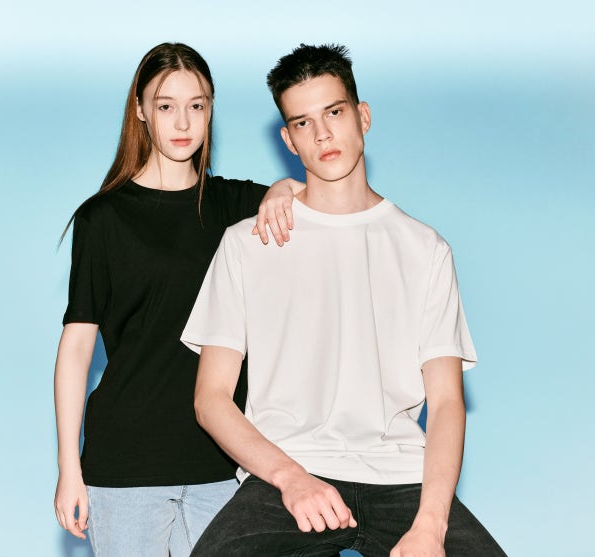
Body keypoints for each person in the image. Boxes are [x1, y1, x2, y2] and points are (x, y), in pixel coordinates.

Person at [181, 44, 506, 556]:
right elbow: (211, 399)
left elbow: (446, 401)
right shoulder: (248, 243)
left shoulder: (425, 249)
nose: (322, 134)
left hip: (403, 477)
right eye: (303, 122)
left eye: (333, 113)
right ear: (289, 139)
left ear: (363, 117)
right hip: (287, 473)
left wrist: (430, 525)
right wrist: (291, 478)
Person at [53, 42, 302, 556]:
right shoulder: (103, 218)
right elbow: (76, 349)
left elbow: (322, 197)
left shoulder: (235, 205)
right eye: (166, 105)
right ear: (141, 110)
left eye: (197, 105)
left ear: (211, 110)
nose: (183, 122)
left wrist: (282, 187)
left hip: (225, 466)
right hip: (126, 466)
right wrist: (68, 468)